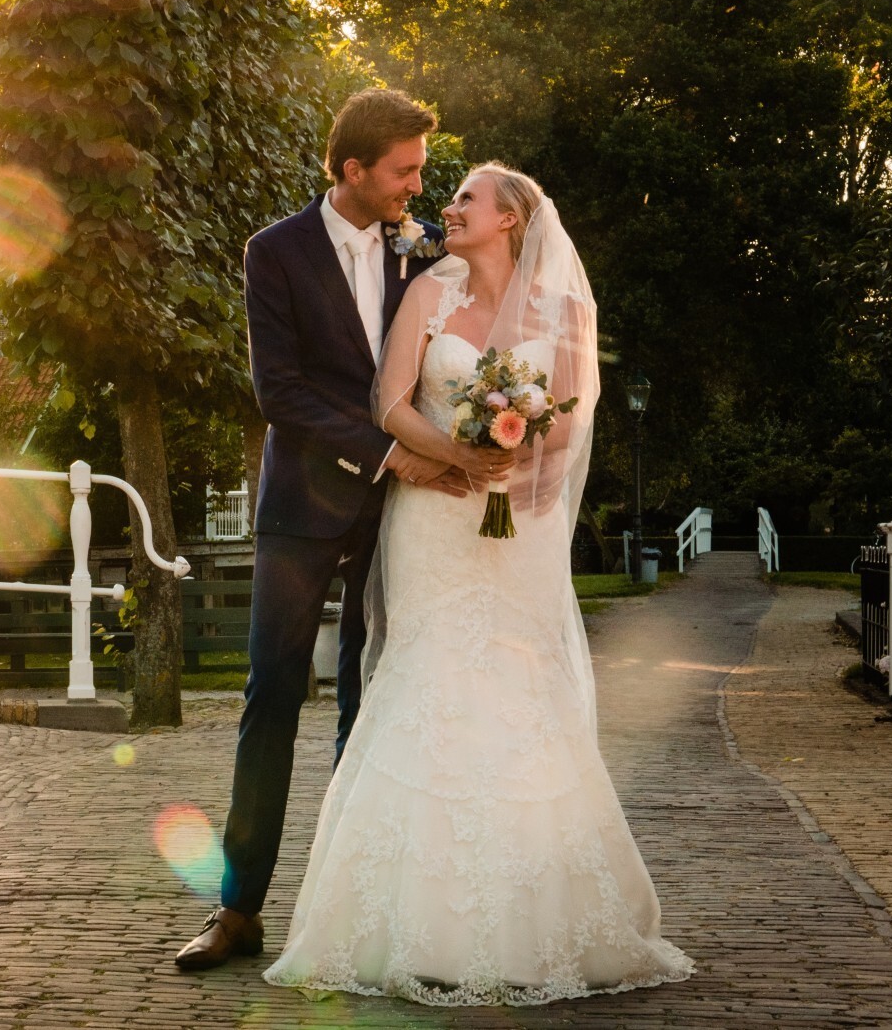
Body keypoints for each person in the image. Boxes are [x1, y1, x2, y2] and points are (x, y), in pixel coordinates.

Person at [260, 163, 695, 1005]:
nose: (448, 208)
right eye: (449, 195)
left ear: (510, 219)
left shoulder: (565, 313)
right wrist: (460, 454)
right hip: (434, 516)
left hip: (520, 526)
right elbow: (389, 403)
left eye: (464, 198)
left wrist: (522, 462)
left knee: (520, 699)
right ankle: (407, 923)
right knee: (428, 685)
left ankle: (530, 923)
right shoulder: (430, 294)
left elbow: (569, 421)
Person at [174, 89, 501, 972]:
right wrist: (391, 457)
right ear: (353, 169)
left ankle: (354, 911)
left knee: (374, 703)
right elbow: (279, 390)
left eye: (422, 171)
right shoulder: (273, 252)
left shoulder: (423, 250)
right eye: (404, 170)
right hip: (304, 511)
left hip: (401, 520)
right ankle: (238, 911)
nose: (417, 186)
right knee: (270, 699)